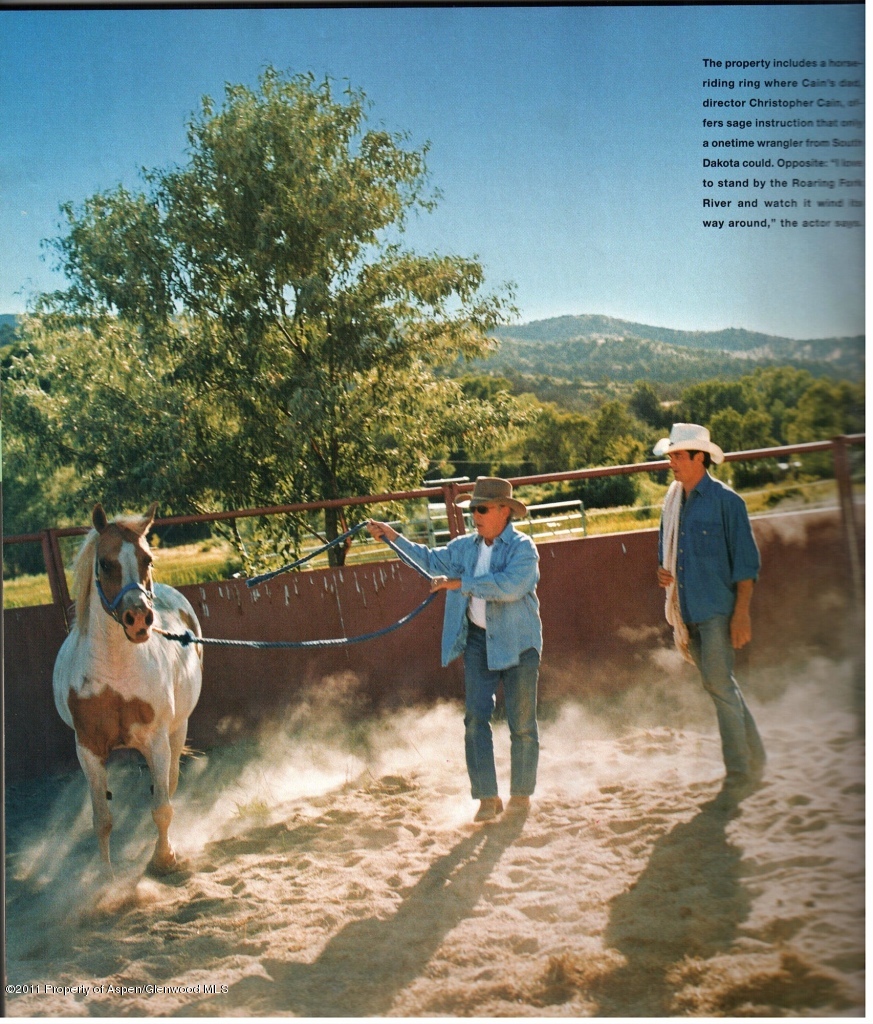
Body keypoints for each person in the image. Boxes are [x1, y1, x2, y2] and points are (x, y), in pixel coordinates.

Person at [367, 477, 542, 823]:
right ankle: (487, 798)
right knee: (476, 719)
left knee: (522, 723)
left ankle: (520, 796)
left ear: (504, 511)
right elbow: (430, 560)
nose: (474, 516)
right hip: (478, 641)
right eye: (472, 509)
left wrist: (461, 584)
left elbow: (510, 587)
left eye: (482, 509)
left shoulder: (523, 548)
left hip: (519, 644)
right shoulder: (464, 547)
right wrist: (393, 537)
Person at [654, 423, 766, 796]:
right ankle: (755, 758)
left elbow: (745, 565)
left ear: (699, 457)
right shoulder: (673, 504)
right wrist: (662, 573)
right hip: (688, 613)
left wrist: (742, 613)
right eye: (670, 455)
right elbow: (666, 555)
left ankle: (739, 770)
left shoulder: (727, 502)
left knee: (718, 685)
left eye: (678, 455)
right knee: (720, 686)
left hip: (717, 611)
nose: (671, 462)